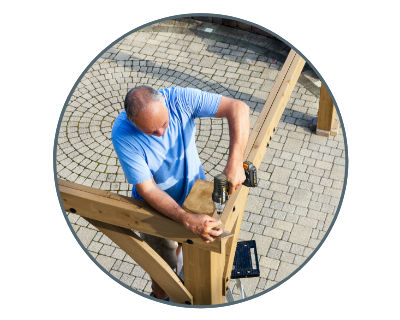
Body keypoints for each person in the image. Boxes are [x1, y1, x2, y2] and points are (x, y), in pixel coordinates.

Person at [111, 85, 250, 301]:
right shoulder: (122, 133)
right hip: (154, 210)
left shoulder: (179, 99)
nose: (161, 133)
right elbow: (147, 189)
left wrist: (235, 162)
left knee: (182, 247)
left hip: (194, 196)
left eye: (164, 124)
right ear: (131, 121)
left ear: (165, 104)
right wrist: (185, 219)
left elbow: (238, 108)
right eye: (150, 131)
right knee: (162, 275)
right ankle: (162, 297)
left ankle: (179, 267)